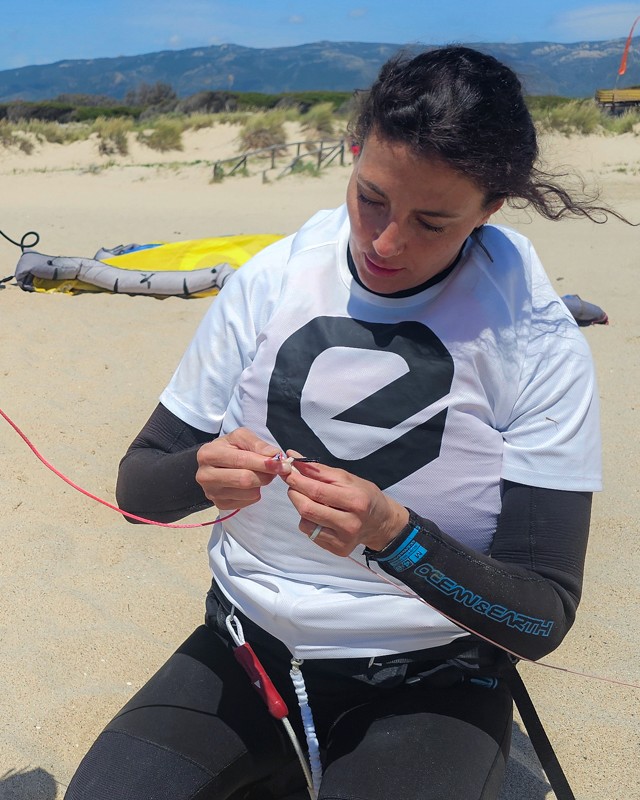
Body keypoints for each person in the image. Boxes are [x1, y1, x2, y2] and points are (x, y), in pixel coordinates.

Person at [65, 46, 622, 800]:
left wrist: (398, 536)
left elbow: (538, 616)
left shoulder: (533, 337)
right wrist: (198, 471)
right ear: (355, 155)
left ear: (490, 209)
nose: (386, 242)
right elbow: (138, 490)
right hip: (246, 645)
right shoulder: (272, 279)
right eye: (371, 198)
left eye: (432, 221)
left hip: (431, 679)